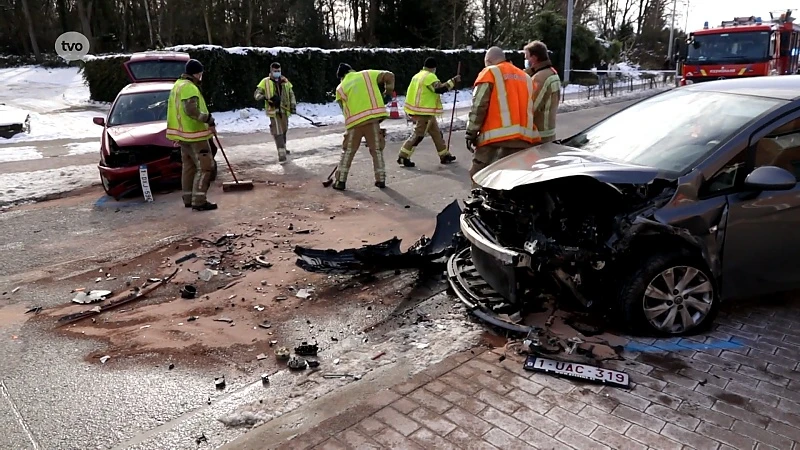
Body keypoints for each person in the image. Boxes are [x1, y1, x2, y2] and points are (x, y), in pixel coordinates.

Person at [466, 46, 541, 187]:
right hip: (523, 141)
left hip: (494, 141)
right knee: (513, 184)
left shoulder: (490, 72)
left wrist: (471, 132)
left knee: (480, 179)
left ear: (488, 61)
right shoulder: (525, 77)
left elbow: (479, 105)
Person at [332, 63, 395, 191]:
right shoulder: (367, 74)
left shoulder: (340, 88)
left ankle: (340, 181)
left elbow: (343, 109)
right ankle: (381, 179)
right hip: (372, 120)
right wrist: (387, 93)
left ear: (341, 77)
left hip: (354, 124)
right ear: (351, 70)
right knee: (376, 150)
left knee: (348, 152)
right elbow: (390, 76)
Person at [166, 58, 217, 211]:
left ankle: (188, 198)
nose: (201, 76)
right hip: (195, 135)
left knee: (189, 167)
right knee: (205, 167)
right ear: (196, 73)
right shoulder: (189, 88)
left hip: (183, 136)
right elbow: (191, 110)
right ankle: (199, 200)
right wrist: (208, 119)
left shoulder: (177, 85)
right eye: (200, 74)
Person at [397, 57, 460, 167]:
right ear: (434, 68)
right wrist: (453, 81)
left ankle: (444, 155)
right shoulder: (430, 76)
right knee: (418, 135)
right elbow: (439, 89)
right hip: (424, 112)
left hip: (420, 110)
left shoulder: (417, 76)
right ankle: (403, 156)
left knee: (436, 133)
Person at [254, 62, 297, 162]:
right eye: (275, 71)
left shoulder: (285, 81)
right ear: (271, 71)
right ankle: (281, 154)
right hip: (273, 111)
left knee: (284, 130)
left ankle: (284, 147)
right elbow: (257, 94)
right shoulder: (265, 82)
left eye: (278, 71)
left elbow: (291, 94)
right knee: (278, 131)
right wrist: (266, 97)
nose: (277, 72)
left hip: (284, 110)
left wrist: (293, 106)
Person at [524, 41, 561, 143]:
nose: (526, 60)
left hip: (539, 134)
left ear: (534, 58)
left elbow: (531, 107)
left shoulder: (540, 78)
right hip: (548, 131)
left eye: (527, 57)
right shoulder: (552, 73)